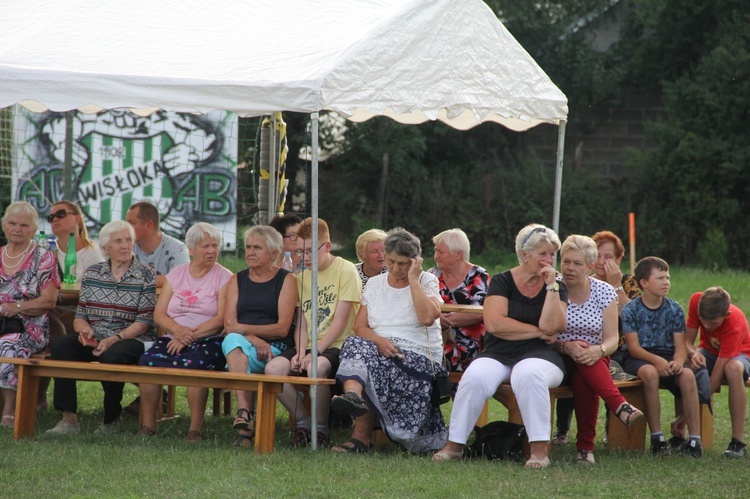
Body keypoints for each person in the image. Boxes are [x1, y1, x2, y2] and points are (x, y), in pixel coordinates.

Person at [434, 223, 567, 469]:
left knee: (528, 374)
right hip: (499, 351)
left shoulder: (557, 284)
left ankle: (539, 450)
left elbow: (555, 325)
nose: (549, 260)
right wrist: (538, 331)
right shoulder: (503, 280)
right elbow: (495, 324)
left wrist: (551, 288)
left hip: (542, 354)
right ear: (524, 254)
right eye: (543, 254)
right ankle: (454, 445)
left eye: (551, 254)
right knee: (474, 376)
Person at [331, 228, 447, 453]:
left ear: (415, 262)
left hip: (416, 355)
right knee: (355, 343)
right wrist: (379, 341)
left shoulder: (427, 280)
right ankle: (352, 396)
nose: (395, 268)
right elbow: (360, 327)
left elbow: (426, 318)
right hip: (379, 349)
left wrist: (413, 279)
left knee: (368, 363)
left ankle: (359, 439)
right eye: (391, 261)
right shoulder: (375, 284)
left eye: (402, 263)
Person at [47, 220, 156, 434]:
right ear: (106, 248)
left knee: (112, 356)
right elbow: (81, 316)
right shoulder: (92, 273)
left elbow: (144, 323)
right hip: (96, 335)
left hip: (131, 338)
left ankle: (111, 419)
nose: (125, 246)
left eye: (128, 240)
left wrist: (114, 338)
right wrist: (83, 330)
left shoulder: (146, 274)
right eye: (118, 241)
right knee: (61, 347)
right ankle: (69, 419)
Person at [264, 217, 361, 447]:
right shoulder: (302, 277)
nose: (305, 258)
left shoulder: (345, 270)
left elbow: (340, 321)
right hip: (308, 344)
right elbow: (303, 322)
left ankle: (321, 429)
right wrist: (299, 351)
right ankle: (303, 423)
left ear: (327, 246)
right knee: (272, 369)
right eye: (300, 252)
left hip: (338, 345)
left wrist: (314, 353)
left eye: (310, 252)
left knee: (316, 367)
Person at [136, 223, 232, 440]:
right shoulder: (176, 275)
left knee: (194, 368)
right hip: (174, 337)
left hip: (209, 340)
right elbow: (159, 315)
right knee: (147, 363)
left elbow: (221, 319)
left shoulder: (225, 277)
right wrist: (178, 331)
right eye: (205, 246)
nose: (211, 251)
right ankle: (148, 425)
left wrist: (189, 336)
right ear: (190, 249)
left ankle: (195, 428)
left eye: (215, 246)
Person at [556, 235, 643, 464]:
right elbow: (542, 332)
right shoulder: (553, 287)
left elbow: (612, 338)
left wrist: (600, 350)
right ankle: (614, 409)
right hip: (555, 355)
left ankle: (585, 451)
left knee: (586, 373)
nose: (570, 268)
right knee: (585, 354)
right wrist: (565, 345)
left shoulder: (605, 291)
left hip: (593, 358)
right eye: (566, 261)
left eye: (577, 263)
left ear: (590, 267)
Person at [222, 225, 296, 448]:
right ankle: (244, 413)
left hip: (276, 350)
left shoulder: (287, 280)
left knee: (234, 342)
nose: (250, 252)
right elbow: (228, 324)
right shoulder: (238, 279)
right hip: (246, 345)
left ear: (274, 253)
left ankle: (245, 428)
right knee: (231, 340)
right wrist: (254, 338)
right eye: (248, 247)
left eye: (257, 248)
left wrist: (245, 332)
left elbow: (282, 328)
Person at [621, 256, 702, 457]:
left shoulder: (674, 309)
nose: (666, 282)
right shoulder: (630, 310)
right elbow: (633, 347)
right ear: (644, 283)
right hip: (641, 357)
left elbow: (681, 345)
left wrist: (678, 361)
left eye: (667, 277)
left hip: (669, 355)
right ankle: (657, 437)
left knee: (687, 375)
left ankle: (694, 441)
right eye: (660, 278)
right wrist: (656, 361)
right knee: (649, 373)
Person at [0, 201, 60, 427]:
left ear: (34, 230)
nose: (17, 228)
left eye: (24, 225)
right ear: (4, 225)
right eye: (12, 223)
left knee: (7, 344)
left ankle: (9, 410)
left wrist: (17, 308)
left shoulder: (43, 257)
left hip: (30, 327)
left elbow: (49, 300)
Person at [685, 287, 750, 458]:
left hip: (741, 354)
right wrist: (693, 353)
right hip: (708, 351)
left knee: (733, 369)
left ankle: (738, 441)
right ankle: (683, 437)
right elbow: (687, 342)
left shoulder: (734, 323)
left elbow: (715, 378)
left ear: (726, 315)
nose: (706, 326)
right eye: (703, 321)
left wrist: (686, 416)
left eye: (713, 323)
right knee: (686, 367)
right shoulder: (696, 301)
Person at [428, 228, 488, 372]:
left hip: (469, 340)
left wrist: (442, 320)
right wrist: (436, 320)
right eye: (435, 251)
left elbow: (480, 312)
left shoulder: (478, 276)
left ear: (458, 254)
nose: (436, 256)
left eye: (441, 252)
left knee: (446, 355)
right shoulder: (431, 275)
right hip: (435, 338)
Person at [125, 201, 189, 288]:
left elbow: (179, 280)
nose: (126, 228)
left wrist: (134, 280)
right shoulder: (126, 247)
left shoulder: (177, 249)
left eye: (131, 223)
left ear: (149, 225)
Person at [47, 200, 105, 283]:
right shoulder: (46, 250)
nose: (55, 219)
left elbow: (97, 287)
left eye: (61, 214)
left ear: (78, 219)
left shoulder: (92, 251)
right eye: (51, 217)